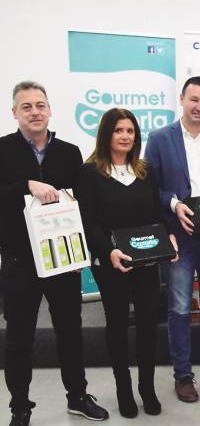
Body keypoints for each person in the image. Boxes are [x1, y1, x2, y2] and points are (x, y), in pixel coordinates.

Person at [0, 81, 108, 426]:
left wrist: (83, 253)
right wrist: (26, 186)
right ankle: (20, 406)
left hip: (63, 260)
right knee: (18, 338)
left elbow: (82, 205)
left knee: (70, 332)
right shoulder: (2, 150)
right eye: (26, 106)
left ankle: (77, 396)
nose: (35, 111)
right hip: (19, 262)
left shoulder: (69, 152)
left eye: (40, 105)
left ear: (50, 110)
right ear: (14, 113)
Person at [75, 108, 178, 418]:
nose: (125, 136)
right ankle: (124, 389)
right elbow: (88, 222)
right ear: (107, 134)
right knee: (117, 326)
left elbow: (156, 216)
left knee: (148, 325)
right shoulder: (89, 172)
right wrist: (109, 251)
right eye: (119, 130)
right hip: (111, 264)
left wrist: (169, 237)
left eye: (130, 131)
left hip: (147, 261)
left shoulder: (145, 171)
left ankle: (147, 387)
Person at [144, 76, 200, 402]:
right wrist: (174, 203)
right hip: (178, 237)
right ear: (181, 99)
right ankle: (182, 376)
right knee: (180, 307)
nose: (199, 107)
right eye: (194, 99)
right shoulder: (158, 139)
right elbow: (150, 187)